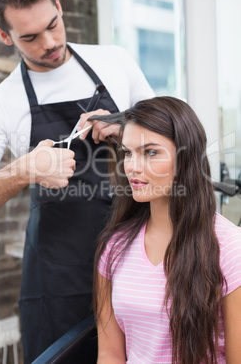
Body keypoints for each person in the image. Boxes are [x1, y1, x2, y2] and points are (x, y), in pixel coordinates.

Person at [0, 0, 154, 363]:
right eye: (31, 38)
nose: (51, 42)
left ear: (58, 5)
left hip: (134, 262)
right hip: (58, 283)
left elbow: (169, 138)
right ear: (5, 37)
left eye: (53, 25)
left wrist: (123, 127)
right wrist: (24, 170)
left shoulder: (116, 62)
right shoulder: (1, 105)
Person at [93, 96, 241, 364]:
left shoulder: (231, 249)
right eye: (127, 152)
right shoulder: (114, 247)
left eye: (150, 152)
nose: (133, 167)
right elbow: (109, 354)